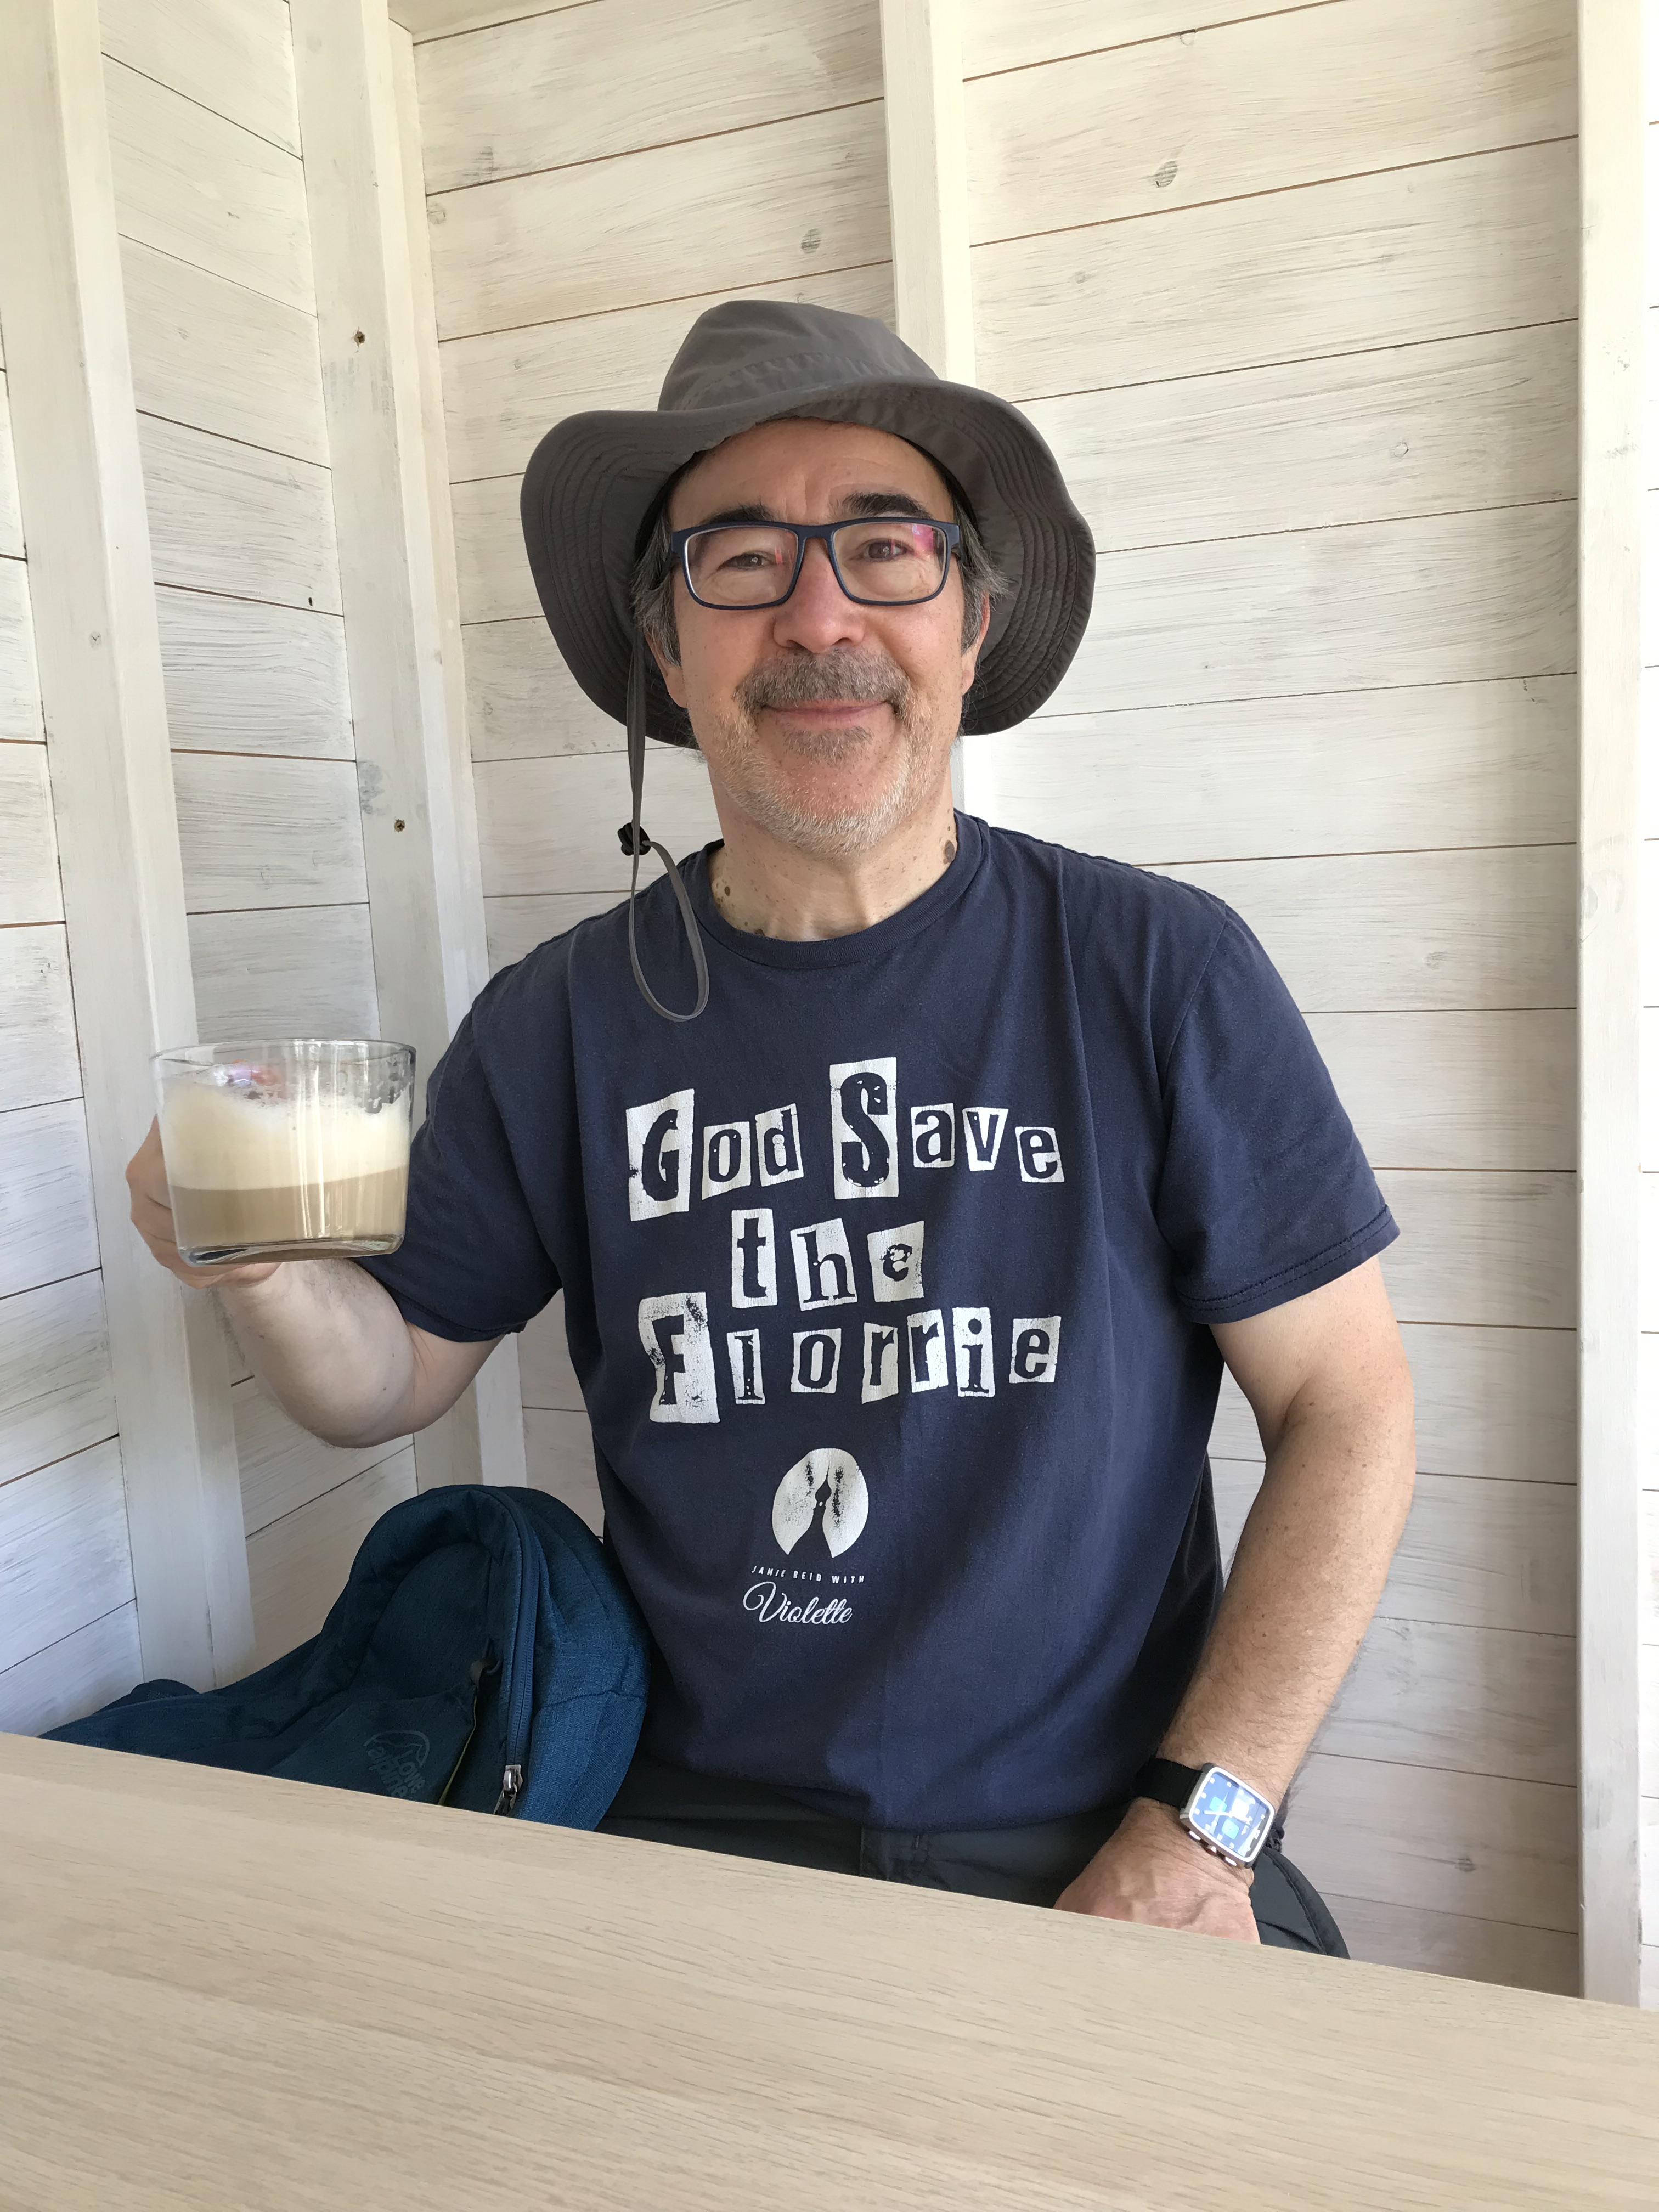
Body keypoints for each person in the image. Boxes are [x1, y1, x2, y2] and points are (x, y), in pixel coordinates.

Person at [127, 303, 1415, 1951]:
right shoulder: (558, 1020)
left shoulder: (1157, 973)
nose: (819, 616)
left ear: (971, 622)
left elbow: (1348, 1408)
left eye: (885, 549)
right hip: (688, 1843)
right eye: (740, 560)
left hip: (1106, 1843)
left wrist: (1202, 1826)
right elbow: (381, 1382)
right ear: (669, 653)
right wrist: (257, 1268)